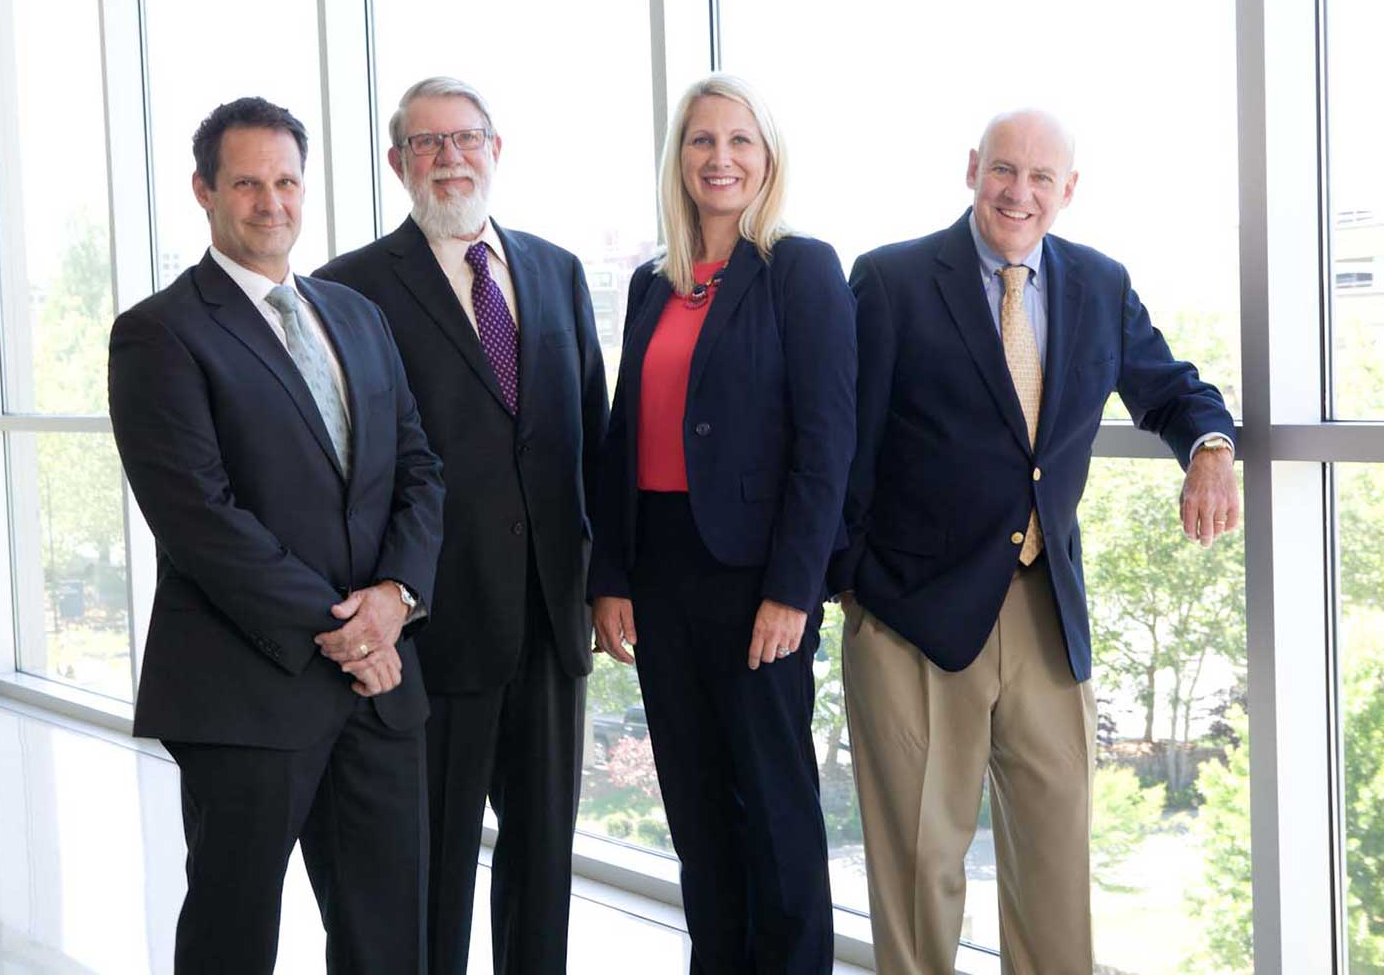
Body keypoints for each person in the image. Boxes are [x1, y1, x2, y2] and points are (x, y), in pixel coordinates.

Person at [831, 108, 1240, 974]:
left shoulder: (1098, 283)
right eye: (1004, 170)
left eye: (1040, 178)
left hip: (1046, 610)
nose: (1019, 192)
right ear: (972, 168)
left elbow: (1169, 389)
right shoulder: (893, 279)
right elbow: (846, 444)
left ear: (1068, 191)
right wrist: (846, 586)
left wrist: (1209, 450)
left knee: (1056, 865)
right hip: (913, 615)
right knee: (918, 869)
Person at [107, 97, 444, 974]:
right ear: (204, 192)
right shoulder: (160, 334)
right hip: (245, 692)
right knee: (232, 936)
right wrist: (349, 628)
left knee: (387, 938)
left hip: (379, 691)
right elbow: (201, 522)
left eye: (286, 181)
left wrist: (395, 599)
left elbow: (419, 469)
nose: (271, 203)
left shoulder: (356, 315)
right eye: (247, 183)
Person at [315, 77, 608, 975]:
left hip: (551, 624)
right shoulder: (351, 288)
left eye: (465, 139)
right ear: (398, 162)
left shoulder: (556, 271)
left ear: (496, 149)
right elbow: (349, 470)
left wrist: (602, 585)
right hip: (436, 626)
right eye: (428, 144)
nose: (450, 158)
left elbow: (587, 437)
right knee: (431, 870)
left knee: (542, 865)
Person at [587, 73, 856, 974]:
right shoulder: (649, 284)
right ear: (680, 159)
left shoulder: (800, 268)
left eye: (740, 141)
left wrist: (794, 590)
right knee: (696, 807)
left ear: (767, 158)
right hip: (659, 576)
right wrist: (611, 575)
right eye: (703, 141)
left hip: (756, 581)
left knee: (774, 806)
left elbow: (827, 443)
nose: (721, 159)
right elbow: (627, 435)